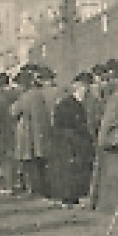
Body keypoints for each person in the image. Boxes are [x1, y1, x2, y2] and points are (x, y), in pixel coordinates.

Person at [49, 73, 96, 206]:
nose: (85, 92)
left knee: (73, 169)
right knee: (70, 169)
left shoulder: (70, 103)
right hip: (70, 141)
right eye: (83, 89)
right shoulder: (69, 104)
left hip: (71, 140)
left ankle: (71, 196)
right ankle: (69, 197)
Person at [11, 66, 55, 198]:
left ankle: (34, 190)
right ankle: (44, 189)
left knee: (29, 164)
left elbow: (13, 112)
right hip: (42, 133)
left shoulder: (25, 97)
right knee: (42, 163)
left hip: (28, 134)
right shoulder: (41, 94)